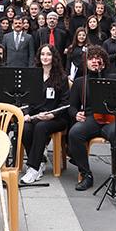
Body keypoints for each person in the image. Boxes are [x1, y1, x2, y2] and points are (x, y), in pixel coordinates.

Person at [67, 45, 116, 192]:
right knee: (75, 133)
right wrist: (76, 114)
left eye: (97, 58)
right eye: (91, 59)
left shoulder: (114, 78)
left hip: (112, 118)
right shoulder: (80, 81)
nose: (94, 61)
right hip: (90, 119)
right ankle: (86, 174)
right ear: (86, 62)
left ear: (104, 61)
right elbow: (71, 106)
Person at [21, 44, 70, 184]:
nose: (45, 57)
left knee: (41, 127)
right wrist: (26, 113)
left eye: (48, 54)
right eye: (42, 54)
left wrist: (51, 115)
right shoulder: (33, 75)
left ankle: (33, 168)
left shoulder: (61, 77)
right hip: (36, 116)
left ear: (54, 57)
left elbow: (65, 104)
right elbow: (26, 99)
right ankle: (40, 160)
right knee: (24, 128)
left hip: (56, 118)